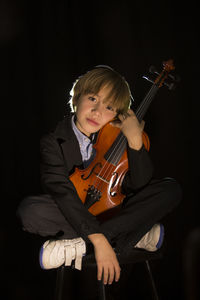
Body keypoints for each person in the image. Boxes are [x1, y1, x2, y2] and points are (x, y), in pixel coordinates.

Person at [17, 66, 182, 285]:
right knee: (30, 210)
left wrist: (134, 142)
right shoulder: (52, 142)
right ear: (77, 97)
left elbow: (140, 185)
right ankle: (130, 236)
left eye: (109, 107)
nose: (97, 111)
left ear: (118, 115)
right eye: (93, 98)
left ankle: (79, 244)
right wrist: (100, 239)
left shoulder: (117, 137)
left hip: (113, 210)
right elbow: (60, 190)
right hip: (74, 211)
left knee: (170, 189)